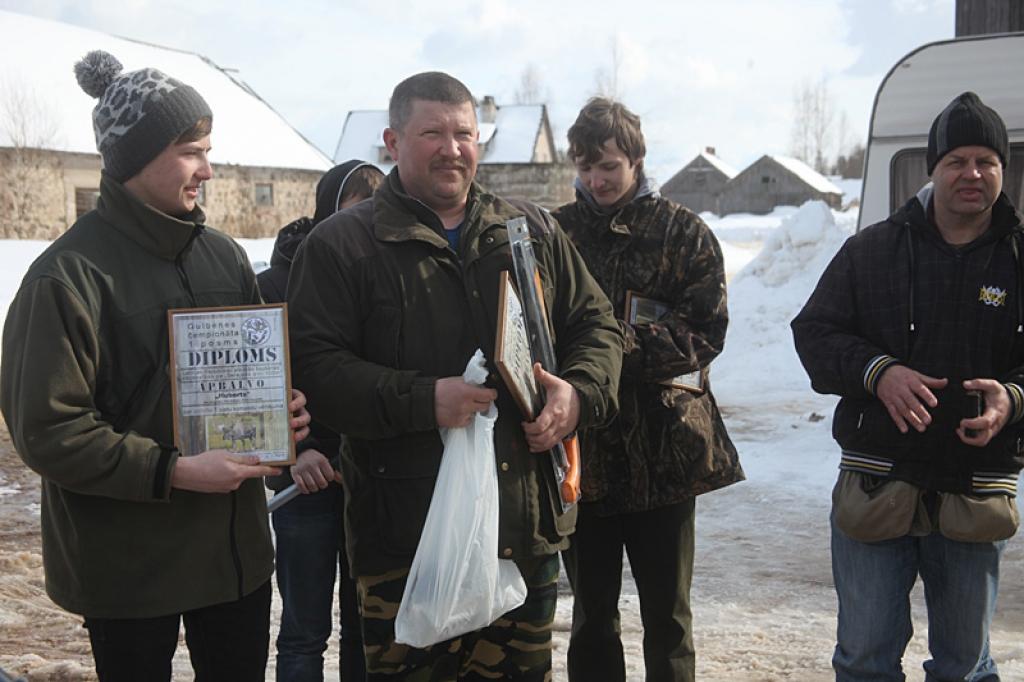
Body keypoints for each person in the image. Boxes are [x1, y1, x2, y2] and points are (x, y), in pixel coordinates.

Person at [286, 71, 623, 680]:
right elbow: (317, 368)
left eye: (463, 133)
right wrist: (422, 401)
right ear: (392, 141)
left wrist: (577, 396)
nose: (452, 148)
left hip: (523, 528)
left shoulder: (529, 232)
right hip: (408, 543)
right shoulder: (343, 246)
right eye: (431, 133)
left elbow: (597, 326)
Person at [0, 50, 310, 682]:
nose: (210, 169)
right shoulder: (65, 278)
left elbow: (249, 379)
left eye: (208, 148)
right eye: (192, 151)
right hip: (128, 571)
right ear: (135, 157)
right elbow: (48, 432)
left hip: (233, 561)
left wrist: (278, 416)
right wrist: (173, 470)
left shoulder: (223, 259)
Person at [792, 91, 1023, 681]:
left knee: (962, 666)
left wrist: (1012, 397)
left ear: (1003, 169)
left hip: (975, 489)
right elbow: (814, 334)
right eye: (956, 161)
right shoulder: (871, 251)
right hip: (877, 485)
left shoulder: (1021, 261)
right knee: (865, 658)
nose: (971, 173)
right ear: (933, 168)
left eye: (985, 161)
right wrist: (880, 372)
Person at [551, 98, 743, 682]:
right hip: (585, 458)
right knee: (590, 619)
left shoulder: (683, 234)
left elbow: (705, 331)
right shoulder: (556, 234)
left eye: (608, 165)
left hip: (666, 458)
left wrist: (611, 347)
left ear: (636, 159)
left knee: (669, 618)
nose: (596, 180)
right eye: (584, 167)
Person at [262, 159, 384, 682]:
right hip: (304, 484)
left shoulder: (380, 275)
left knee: (368, 626)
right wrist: (294, 454)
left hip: (368, 479)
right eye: (358, 210)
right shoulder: (271, 286)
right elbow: (255, 384)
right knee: (303, 632)